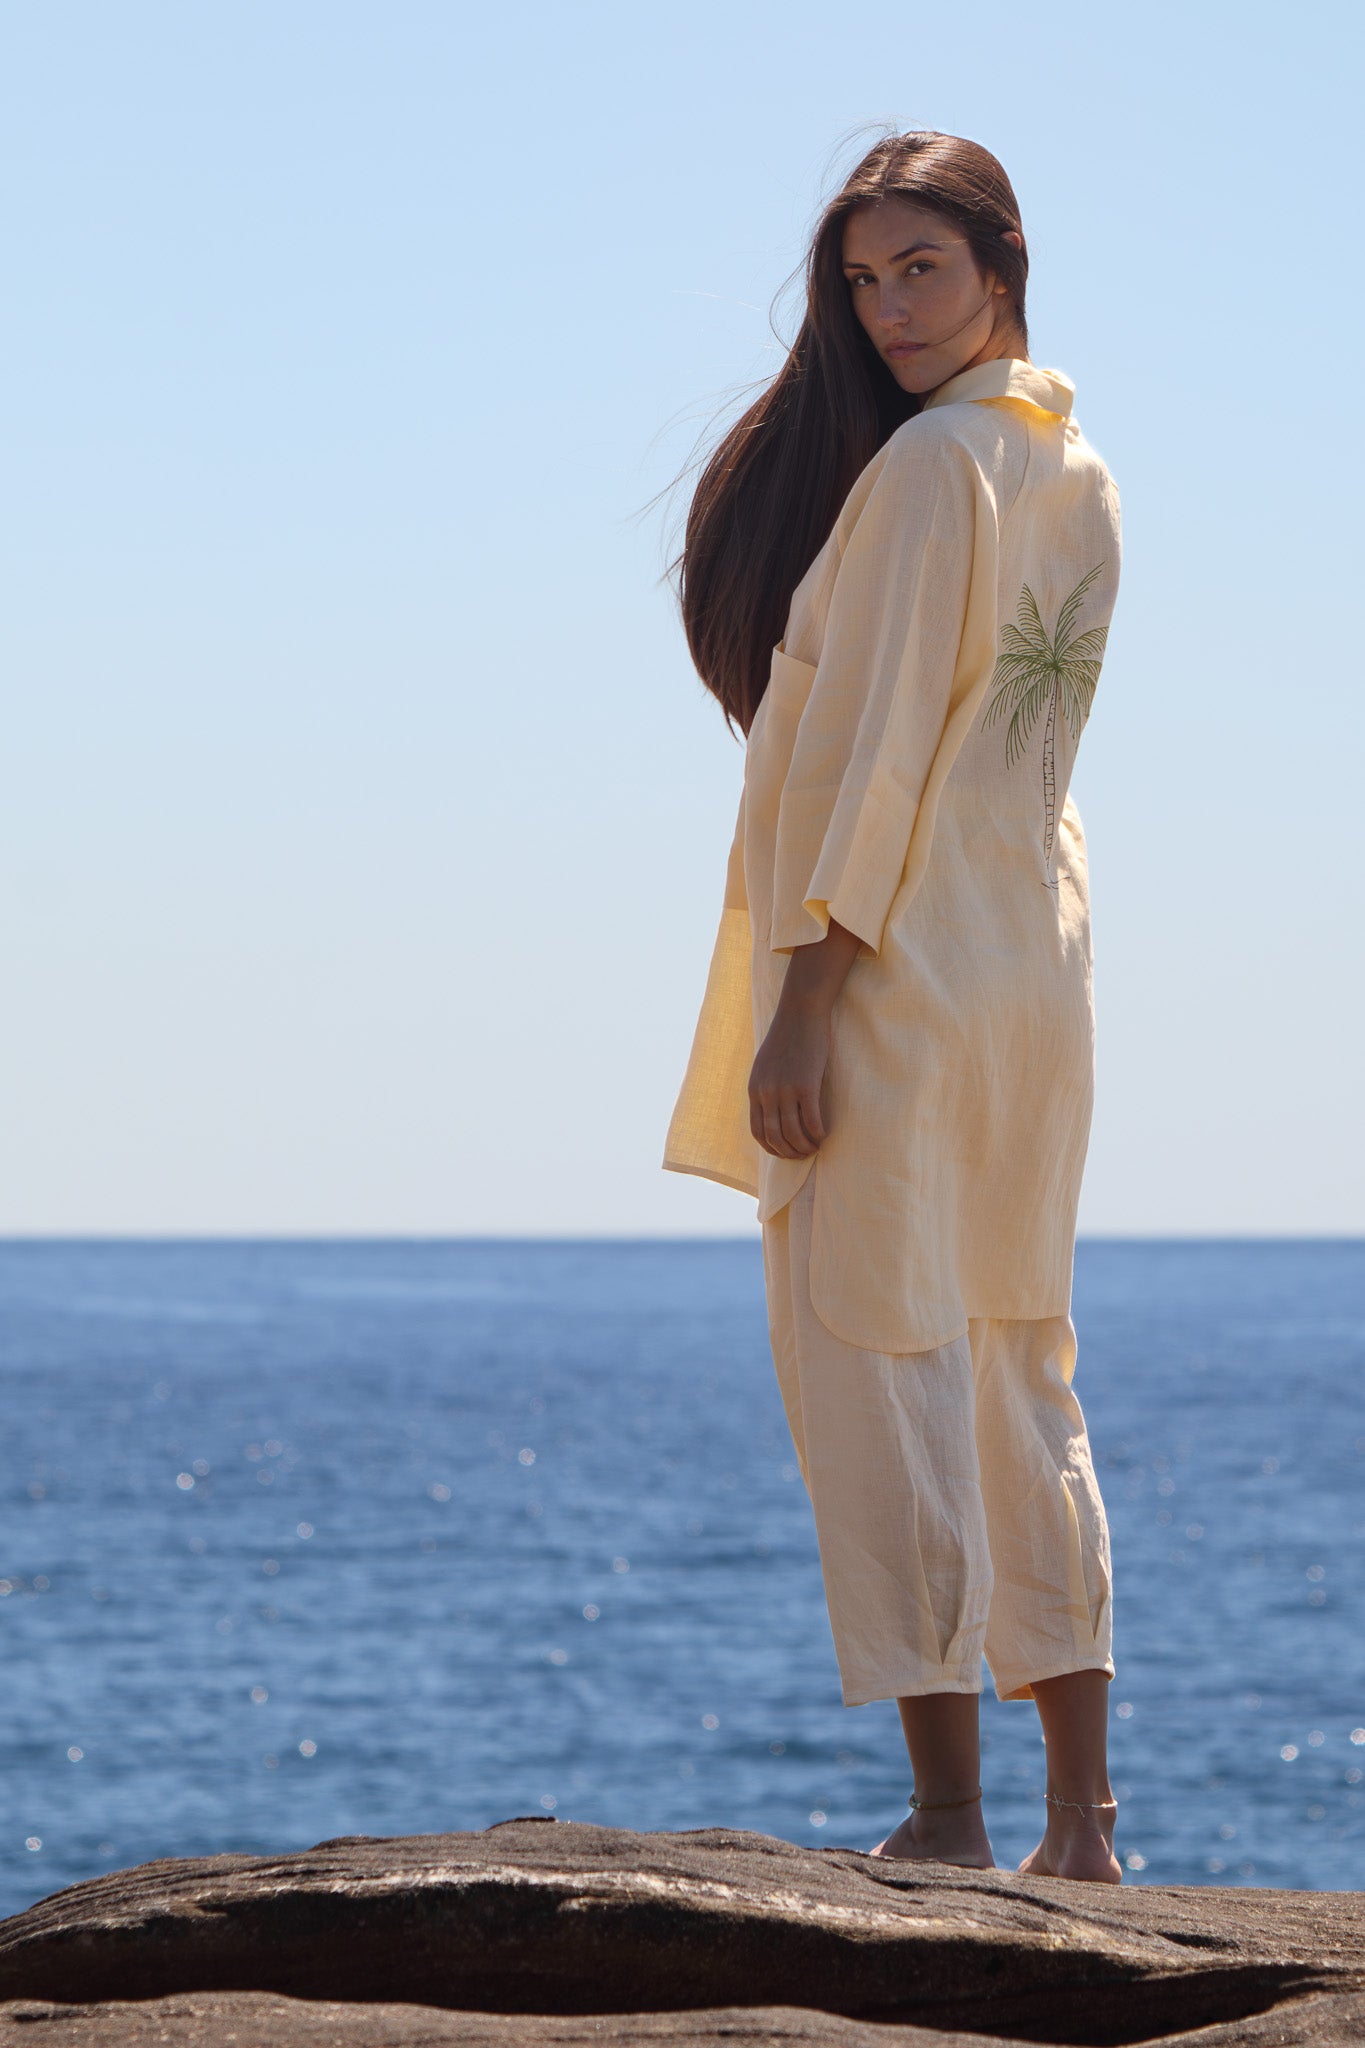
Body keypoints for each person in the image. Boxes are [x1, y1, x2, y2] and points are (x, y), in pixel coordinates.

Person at [662, 131, 1124, 1883]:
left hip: (897, 974)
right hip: (1034, 971)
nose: (887, 309)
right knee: (1018, 1365)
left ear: (1001, 263)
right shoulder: (1073, 463)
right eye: (862, 283)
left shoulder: (933, 467)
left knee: (878, 1362)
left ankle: (948, 1816)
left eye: (920, 267)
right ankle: (1082, 1825)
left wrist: (801, 1005)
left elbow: (876, 763)